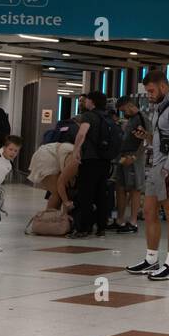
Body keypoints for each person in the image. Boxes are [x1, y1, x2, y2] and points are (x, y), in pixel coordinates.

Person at [125, 70, 169, 281]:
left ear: (163, 86)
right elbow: (163, 140)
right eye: (147, 91)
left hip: (167, 170)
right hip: (156, 168)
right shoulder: (160, 108)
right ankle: (151, 259)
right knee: (150, 211)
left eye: (151, 90)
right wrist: (148, 137)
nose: (149, 95)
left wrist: (167, 169)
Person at [70, 91, 115, 237]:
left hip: (90, 160)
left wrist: (75, 151)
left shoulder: (88, 115)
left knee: (86, 194)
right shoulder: (107, 116)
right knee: (101, 193)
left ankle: (84, 227)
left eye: (87, 100)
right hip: (105, 160)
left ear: (92, 102)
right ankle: (101, 226)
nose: (85, 102)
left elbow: (82, 133)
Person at [113, 95, 149, 234]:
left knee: (135, 189)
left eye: (124, 110)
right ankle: (119, 220)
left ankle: (133, 222)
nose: (123, 113)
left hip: (134, 158)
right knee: (120, 188)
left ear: (129, 106)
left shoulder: (141, 119)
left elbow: (145, 141)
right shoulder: (131, 120)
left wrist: (134, 157)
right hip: (123, 156)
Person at [27, 139, 77, 212]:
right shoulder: (75, 162)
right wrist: (66, 202)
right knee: (57, 193)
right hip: (47, 155)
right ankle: (49, 219)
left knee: (59, 194)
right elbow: (61, 184)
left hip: (54, 153)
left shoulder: (77, 158)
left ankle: (56, 218)